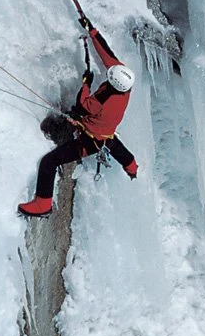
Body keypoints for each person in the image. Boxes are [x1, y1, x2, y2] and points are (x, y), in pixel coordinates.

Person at [18, 16, 138, 217]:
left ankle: (43, 203)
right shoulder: (124, 82)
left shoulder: (105, 99)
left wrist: (86, 83)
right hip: (105, 133)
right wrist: (93, 31)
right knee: (111, 142)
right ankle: (131, 165)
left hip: (89, 140)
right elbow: (107, 54)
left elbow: (83, 105)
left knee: (49, 162)